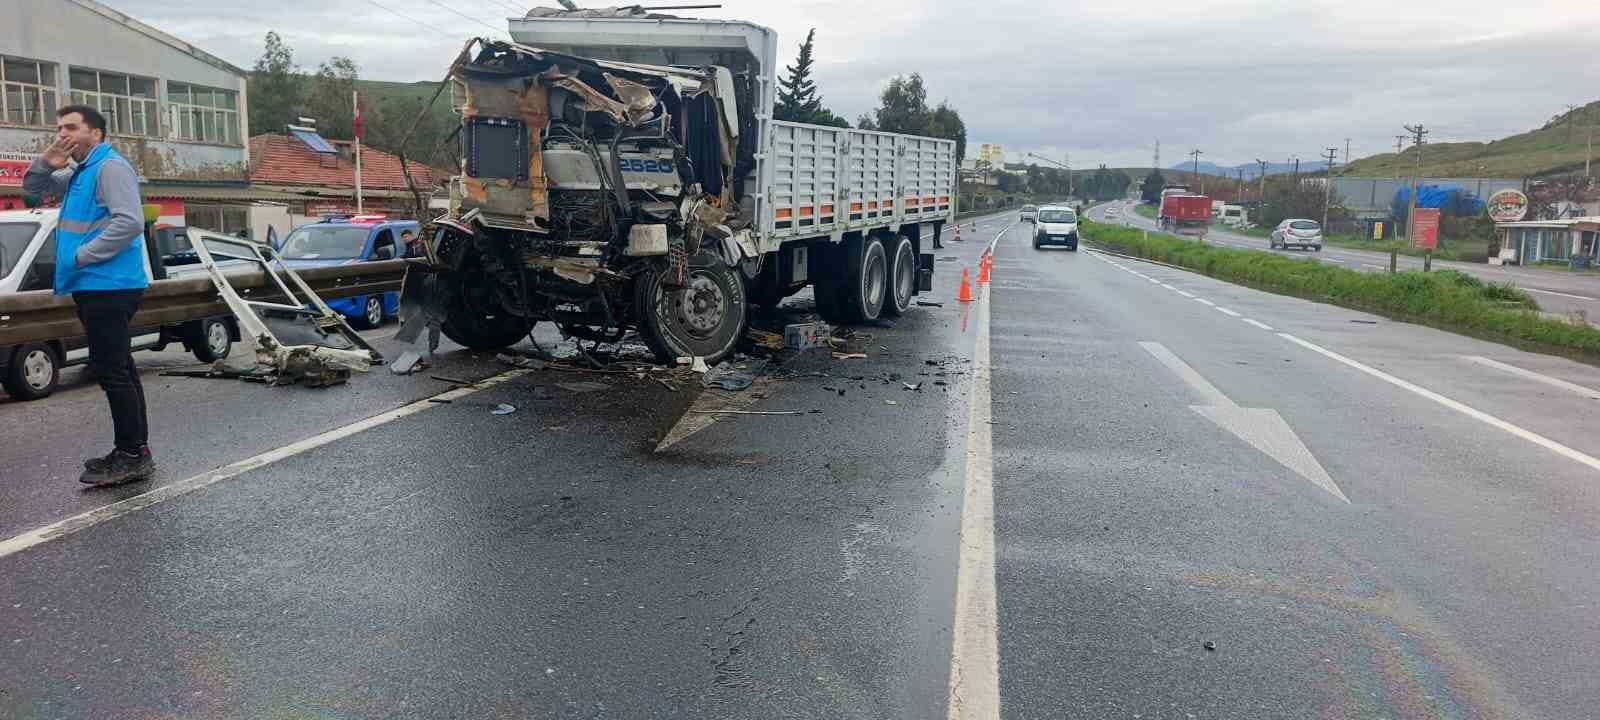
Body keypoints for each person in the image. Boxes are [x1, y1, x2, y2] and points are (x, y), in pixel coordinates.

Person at [24, 105, 155, 487]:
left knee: (112, 369)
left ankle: (132, 454)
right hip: (94, 283)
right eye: (59, 127)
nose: (63, 133)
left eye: (72, 127)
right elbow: (33, 194)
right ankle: (133, 448)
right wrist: (45, 162)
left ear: (95, 134)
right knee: (120, 368)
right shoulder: (79, 172)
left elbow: (129, 221)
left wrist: (83, 256)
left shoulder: (109, 168)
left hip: (107, 283)